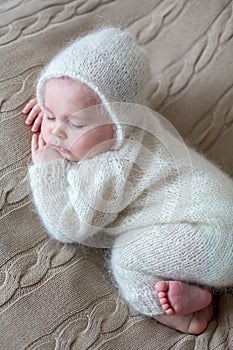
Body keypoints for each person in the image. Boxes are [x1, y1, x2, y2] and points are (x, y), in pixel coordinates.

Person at [23, 27, 233, 335]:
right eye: (50, 115)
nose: (54, 134)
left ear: (118, 121)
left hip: (214, 238)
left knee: (126, 259)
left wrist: (47, 170)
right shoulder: (138, 122)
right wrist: (57, 110)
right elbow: (75, 102)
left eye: (76, 123)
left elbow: (67, 226)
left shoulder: (115, 162)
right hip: (216, 222)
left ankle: (191, 316)